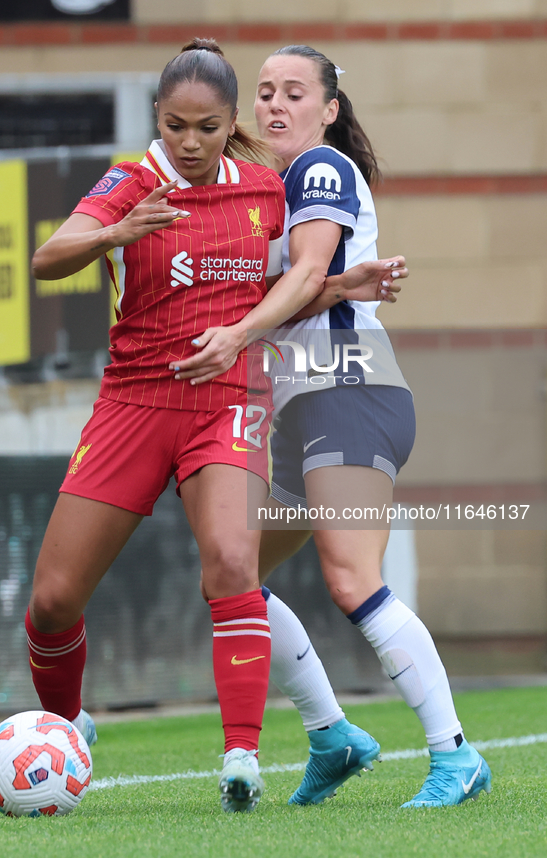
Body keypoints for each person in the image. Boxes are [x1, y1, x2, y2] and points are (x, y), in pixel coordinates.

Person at [25, 38, 402, 814]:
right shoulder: (129, 181)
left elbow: (283, 288)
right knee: (54, 602)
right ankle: (61, 733)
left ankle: (241, 756)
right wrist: (111, 234)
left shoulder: (267, 189)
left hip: (229, 399)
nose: (188, 144)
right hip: (132, 404)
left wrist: (340, 286)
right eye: (173, 127)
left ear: (231, 123)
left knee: (233, 563)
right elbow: (46, 258)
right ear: (157, 120)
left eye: (205, 128)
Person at [176, 44, 492, 809]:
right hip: (300, 407)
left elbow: (308, 274)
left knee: (351, 578)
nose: (275, 105)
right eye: (263, 92)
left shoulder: (318, 170)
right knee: (233, 578)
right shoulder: (271, 187)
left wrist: (252, 326)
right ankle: (332, 737)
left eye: (293, 92)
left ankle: (455, 755)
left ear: (328, 108)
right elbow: (314, 282)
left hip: (348, 389)